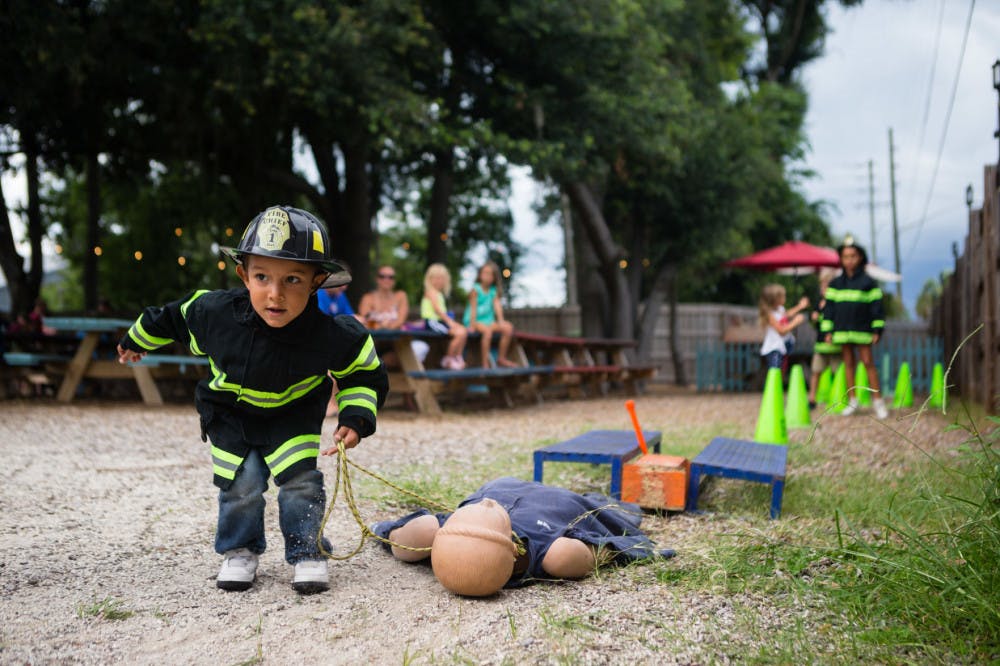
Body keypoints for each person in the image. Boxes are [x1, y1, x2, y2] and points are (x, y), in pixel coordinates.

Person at [116, 205, 389, 594]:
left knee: (300, 482)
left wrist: (356, 417)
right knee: (241, 483)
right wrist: (136, 340)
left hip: (292, 417)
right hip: (231, 416)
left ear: (317, 281)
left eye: (292, 279)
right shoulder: (216, 314)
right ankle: (240, 550)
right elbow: (172, 317)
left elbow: (363, 372)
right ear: (244, 275)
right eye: (262, 277)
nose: (274, 294)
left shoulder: (331, 335)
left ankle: (307, 552)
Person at [371, 477, 673, 597]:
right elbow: (610, 547)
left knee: (417, 535)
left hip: (505, 486)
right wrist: (640, 548)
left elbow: (398, 537)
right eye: (487, 513)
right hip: (559, 504)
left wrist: (403, 536)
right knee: (417, 537)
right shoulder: (555, 555)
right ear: (514, 549)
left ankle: (420, 536)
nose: (487, 506)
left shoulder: (455, 532)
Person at [822, 236, 888, 419]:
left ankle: (878, 402)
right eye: (845, 256)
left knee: (868, 363)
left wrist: (877, 329)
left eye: (853, 256)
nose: (849, 260)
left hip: (862, 329)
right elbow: (829, 309)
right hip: (843, 330)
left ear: (860, 258)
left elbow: (877, 307)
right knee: (848, 364)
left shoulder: (868, 283)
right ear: (841, 259)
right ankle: (852, 400)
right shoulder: (835, 284)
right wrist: (827, 330)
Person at [463, 260, 516, 368]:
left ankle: (501, 358)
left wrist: (501, 320)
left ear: (494, 277)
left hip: (488, 321)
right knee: (487, 332)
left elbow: (497, 306)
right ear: (480, 275)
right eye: (484, 273)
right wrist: (472, 325)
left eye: (489, 274)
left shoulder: (493, 291)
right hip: (475, 320)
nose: (486, 276)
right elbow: (473, 309)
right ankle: (485, 363)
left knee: (508, 327)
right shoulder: (475, 290)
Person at [420, 263, 467, 369]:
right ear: (429, 279)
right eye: (436, 278)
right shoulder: (431, 292)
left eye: (441, 278)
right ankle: (448, 358)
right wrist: (450, 322)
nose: (439, 281)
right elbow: (438, 311)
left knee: (463, 331)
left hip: (440, 321)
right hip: (432, 322)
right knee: (459, 333)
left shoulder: (439, 294)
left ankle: (457, 356)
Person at [807, 268, 841, 409]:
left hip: (835, 346)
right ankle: (812, 399)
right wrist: (813, 317)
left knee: (837, 373)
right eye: (822, 285)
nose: (823, 288)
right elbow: (814, 321)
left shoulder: (838, 304)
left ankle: (838, 397)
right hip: (820, 345)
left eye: (826, 285)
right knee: (816, 371)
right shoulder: (819, 303)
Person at [758, 284, 808, 373]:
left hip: (782, 347)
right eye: (782, 296)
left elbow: (787, 314)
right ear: (775, 299)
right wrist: (795, 322)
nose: (785, 297)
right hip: (774, 348)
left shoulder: (780, 309)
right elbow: (781, 331)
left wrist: (800, 306)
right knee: (775, 371)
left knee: (782, 369)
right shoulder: (770, 314)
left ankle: (779, 386)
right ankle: (774, 386)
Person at [358, 265, 409, 330]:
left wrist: (385, 326)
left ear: (394, 280)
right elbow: (364, 320)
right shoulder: (368, 298)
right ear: (377, 279)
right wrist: (383, 326)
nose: (386, 280)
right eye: (382, 276)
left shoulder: (401, 296)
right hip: (373, 338)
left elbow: (401, 320)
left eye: (391, 277)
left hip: (396, 337)